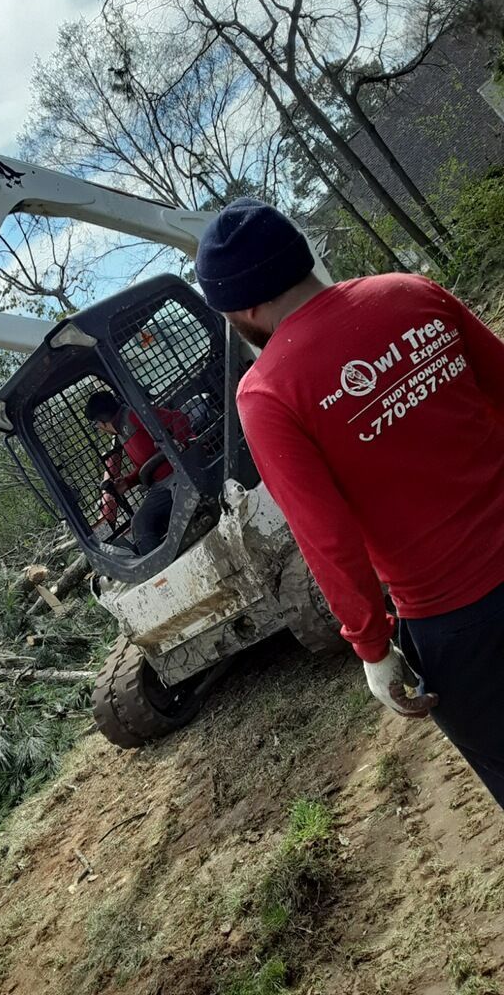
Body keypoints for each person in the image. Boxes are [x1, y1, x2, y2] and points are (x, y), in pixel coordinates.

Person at [195, 197, 504, 809]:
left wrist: (370, 645)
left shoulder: (268, 392)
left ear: (245, 307)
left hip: (462, 623)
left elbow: (327, 539)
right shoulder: (411, 292)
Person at [85, 390, 192, 555]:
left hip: (179, 474)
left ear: (102, 422)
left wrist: (181, 444)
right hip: (161, 485)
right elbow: (146, 465)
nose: (99, 429)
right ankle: (160, 566)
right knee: (140, 522)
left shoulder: (134, 416)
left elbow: (177, 417)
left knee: (184, 505)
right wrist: (128, 482)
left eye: (96, 425)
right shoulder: (122, 433)